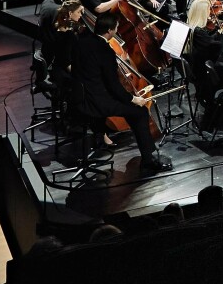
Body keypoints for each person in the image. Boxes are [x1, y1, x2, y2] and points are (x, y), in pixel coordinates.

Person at [72, 12, 170, 172]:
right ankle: (148, 160)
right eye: (116, 28)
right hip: (96, 102)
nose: (117, 31)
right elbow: (114, 87)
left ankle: (145, 151)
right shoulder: (106, 51)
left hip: (79, 96)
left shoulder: (82, 41)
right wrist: (133, 99)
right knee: (140, 112)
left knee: (132, 112)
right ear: (109, 31)